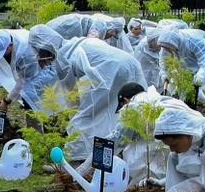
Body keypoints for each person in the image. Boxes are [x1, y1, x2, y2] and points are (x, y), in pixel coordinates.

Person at [29, 25, 145, 174]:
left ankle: (72, 163)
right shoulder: (77, 42)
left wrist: (73, 119)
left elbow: (72, 97)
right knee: (120, 114)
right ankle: (109, 159)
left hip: (111, 72)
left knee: (82, 120)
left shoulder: (62, 58)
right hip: (130, 63)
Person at [113, 83, 199, 187]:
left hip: (165, 154)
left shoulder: (134, 107)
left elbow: (117, 139)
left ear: (125, 100)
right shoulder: (162, 100)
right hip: (192, 136)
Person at [0, 29, 55, 112]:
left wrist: (6, 101)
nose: (1, 56)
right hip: (27, 64)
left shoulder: (26, 56)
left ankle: (35, 114)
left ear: (10, 45)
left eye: (2, 52)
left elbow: (22, 82)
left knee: (31, 94)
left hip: (43, 69)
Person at [155, 28, 205, 110]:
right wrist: (165, 74)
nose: (166, 50)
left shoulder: (192, 41)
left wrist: (200, 79)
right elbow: (163, 61)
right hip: (194, 55)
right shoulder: (167, 43)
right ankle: (190, 107)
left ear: (174, 43)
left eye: (168, 48)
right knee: (188, 77)